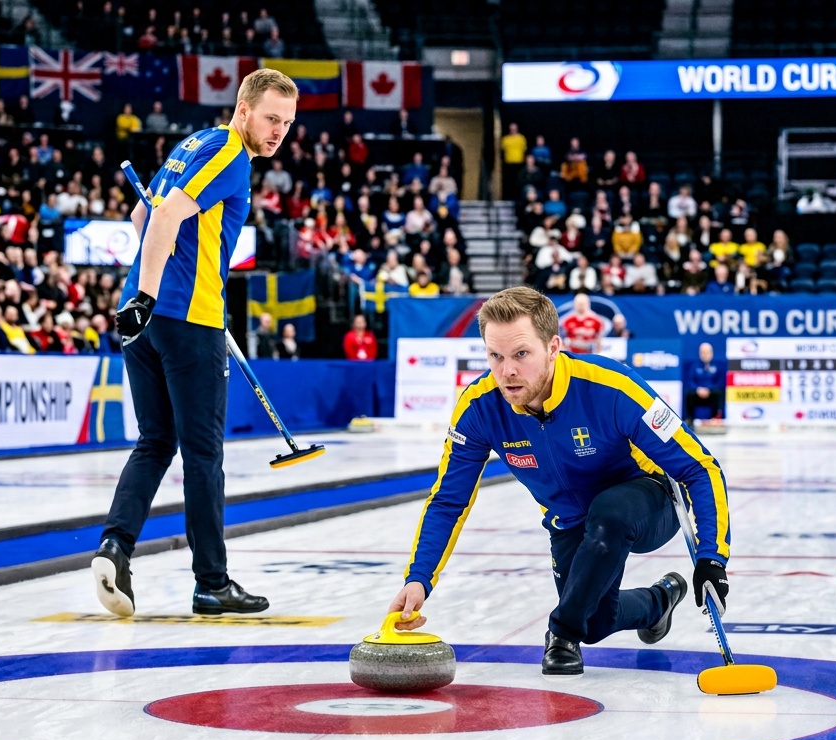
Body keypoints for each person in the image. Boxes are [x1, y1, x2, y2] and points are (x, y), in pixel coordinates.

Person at [383, 287, 731, 675]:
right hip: (569, 519)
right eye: (495, 356)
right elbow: (449, 500)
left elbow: (700, 467)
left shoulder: (611, 387)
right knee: (595, 622)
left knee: (608, 517)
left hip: (648, 503)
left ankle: (560, 633)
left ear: (553, 347)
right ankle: (658, 601)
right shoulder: (479, 407)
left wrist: (712, 558)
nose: (507, 371)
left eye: (521, 354)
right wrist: (419, 579)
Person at [92, 69, 299, 618]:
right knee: (203, 452)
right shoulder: (228, 152)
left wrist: (146, 292)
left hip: (148, 320)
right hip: (188, 317)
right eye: (271, 118)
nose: (278, 131)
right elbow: (162, 215)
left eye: (287, 123)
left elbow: (142, 212)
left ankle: (115, 547)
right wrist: (158, 290)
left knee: (155, 442)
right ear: (244, 109)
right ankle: (212, 582)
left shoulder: (193, 144)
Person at [684, 342, 724, 424]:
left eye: (707, 352)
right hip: (698, 395)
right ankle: (689, 420)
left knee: (718, 393)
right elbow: (691, 381)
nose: (705, 355)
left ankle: (716, 418)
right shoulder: (694, 367)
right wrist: (698, 389)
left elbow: (720, 382)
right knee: (689, 394)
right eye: (703, 352)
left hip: (711, 394)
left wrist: (708, 389)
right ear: (700, 353)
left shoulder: (717, 367)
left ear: (712, 353)